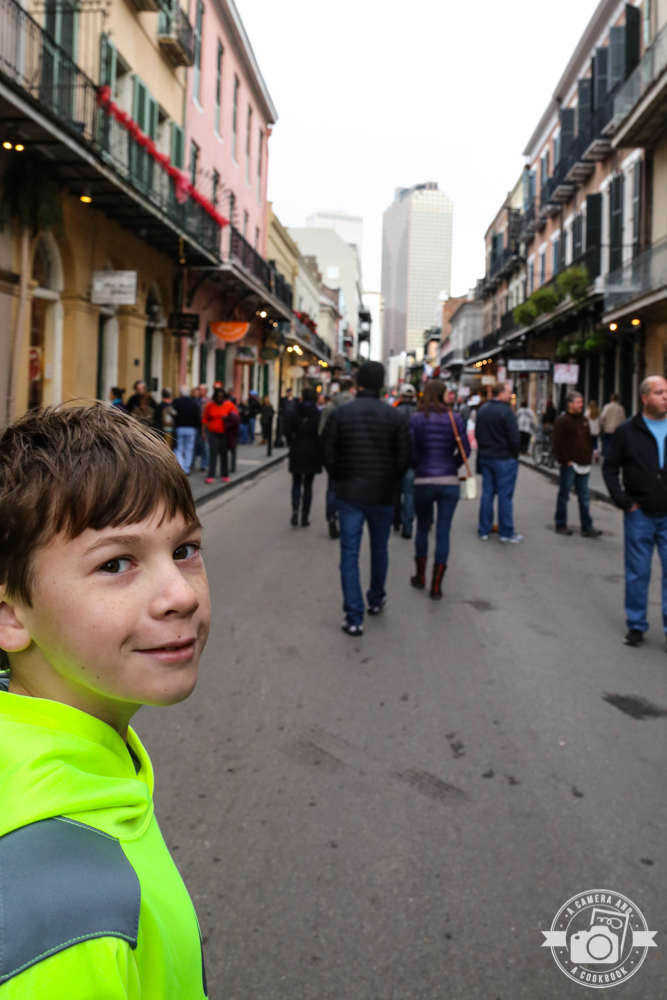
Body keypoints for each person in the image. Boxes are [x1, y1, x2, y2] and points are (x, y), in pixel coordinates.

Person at [0, 404, 210, 998]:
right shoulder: (67, 920)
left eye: (185, 550)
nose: (180, 595)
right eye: (116, 563)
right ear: (10, 617)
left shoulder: (75, 753)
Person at [322, 361, 411, 636]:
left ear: (358, 383)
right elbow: (404, 458)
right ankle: (375, 598)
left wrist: (341, 478)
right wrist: (390, 480)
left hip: (350, 494)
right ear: (381, 384)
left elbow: (328, 452)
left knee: (349, 554)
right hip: (382, 495)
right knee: (379, 549)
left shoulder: (342, 413)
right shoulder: (395, 417)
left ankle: (353, 615)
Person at [603, 375, 667, 647]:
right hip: (639, 513)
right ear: (644, 398)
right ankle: (637, 625)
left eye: (666, 391)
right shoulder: (628, 430)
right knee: (638, 572)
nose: (665, 396)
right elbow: (609, 468)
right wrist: (624, 501)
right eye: (659, 392)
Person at [409, 380, 470, 599]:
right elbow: (465, 450)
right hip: (449, 482)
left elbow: (411, 450)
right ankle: (436, 585)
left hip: (423, 480)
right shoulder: (455, 419)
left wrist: (419, 466)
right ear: (442, 395)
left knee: (422, 527)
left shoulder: (416, 419)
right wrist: (452, 466)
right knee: (443, 531)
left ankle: (420, 576)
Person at [476, 381, 522, 543]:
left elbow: (478, 433)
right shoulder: (506, 411)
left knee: (487, 493)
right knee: (505, 495)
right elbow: (514, 437)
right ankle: (506, 532)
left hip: (486, 456)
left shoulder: (483, 410)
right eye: (508, 392)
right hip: (504, 458)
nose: (510, 395)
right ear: (500, 393)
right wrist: (514, 454)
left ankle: (484, 529)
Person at [551, 390, 601, 538]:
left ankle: (587, 526)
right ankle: (561, 524)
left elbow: (588, 440)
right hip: (570, 465)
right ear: (570, 404)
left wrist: (590, 455)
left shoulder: (584, 420)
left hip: (584, 464)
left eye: (581, 402)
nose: (581, 405)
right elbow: (557, 443)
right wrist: (566, 460)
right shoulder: (562, 421)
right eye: (578, 402)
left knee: (584, 497)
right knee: (564, 495)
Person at [318, 378, 356, 539]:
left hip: (334, 453)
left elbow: (321, 431)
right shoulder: (356, 406)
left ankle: (331, 516)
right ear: (352, 389)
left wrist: (326, 452)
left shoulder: (330, 406)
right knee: (349, 489)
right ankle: (344, 519)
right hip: (352, 453)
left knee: (332, 488)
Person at [284, 387, 322, 526]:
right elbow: (321, 433)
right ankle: (305, 515)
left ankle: (295, 510)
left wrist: (291, 442)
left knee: (296, 482)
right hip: (313, 450)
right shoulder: (318, 414)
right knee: (308, 485)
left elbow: (287, 430)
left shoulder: (295, 412)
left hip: (297, 448)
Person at [393, 383, 418, 538]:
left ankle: (395, 521)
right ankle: (407, 526)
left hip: (396, 458)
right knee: (410, 493)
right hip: (412, 460)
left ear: (401, 396)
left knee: (395, 492)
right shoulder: (419, 413)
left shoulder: (393, 412)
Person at [202, 386, 237, 483]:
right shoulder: (210, 406)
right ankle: (211, 475)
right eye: (218, 396)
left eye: (221, 396)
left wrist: (227, 418)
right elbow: (205, 419)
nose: (220, 398)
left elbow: (236, 417)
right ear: (215, 397)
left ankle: (225, 474)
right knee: (213, 453)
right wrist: (203, 432)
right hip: (213, 433)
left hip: (225, 433)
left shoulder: (229, 405)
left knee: (224, 454)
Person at [172, 385, 201, 474]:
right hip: (191, 428)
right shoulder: (193, 403)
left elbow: (173, 415)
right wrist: (196, 426)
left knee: (179, 448)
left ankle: (181, 467)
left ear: (181, 393)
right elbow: (197, 416)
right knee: (189, 448)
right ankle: (187, 468)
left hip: (179, 427)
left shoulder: (176, 402)